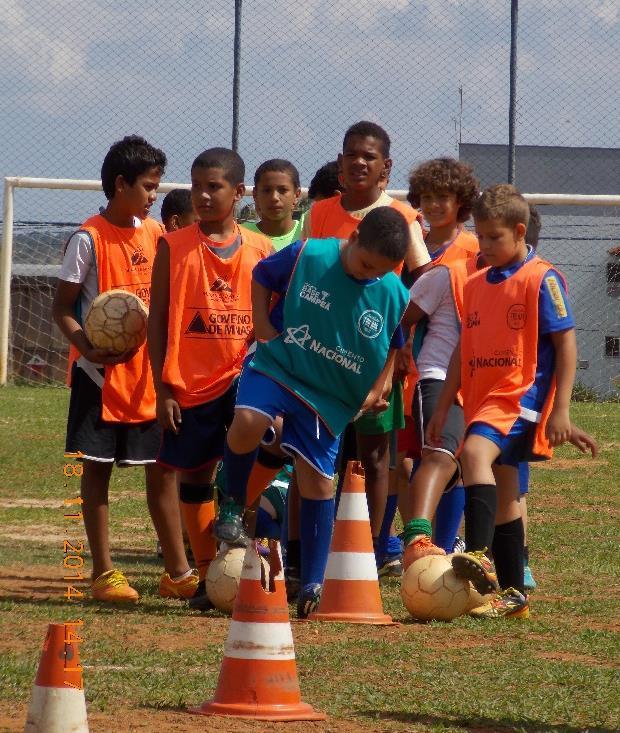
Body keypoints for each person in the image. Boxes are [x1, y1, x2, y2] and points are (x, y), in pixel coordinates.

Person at [213, 206, 411, 617]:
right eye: (364, 265)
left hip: (327, 394)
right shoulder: (308, 254)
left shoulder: (391, 291)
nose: (367, 276)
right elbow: (261, 277)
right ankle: (232, 502)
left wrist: (383, 382)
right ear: (354, 238)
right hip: (278, 364)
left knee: (318, 482)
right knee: (249, 421)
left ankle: (314, 582)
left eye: (380, 271)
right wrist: (263, 324)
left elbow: (396, 339)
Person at [52, 135, 194, 603]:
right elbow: (63, 308)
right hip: (100, 377)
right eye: (148, 186)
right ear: (120, 184)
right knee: (96, 473)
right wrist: (85, 348)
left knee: (163, 472)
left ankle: (177, 572)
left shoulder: (155, 235)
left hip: (149, 377)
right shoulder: (87, 239)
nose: (155, 195)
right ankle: (104, 573)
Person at [427, 184, 577, 619]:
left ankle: (479, 554)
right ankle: (513, 596)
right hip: (480, 397)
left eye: (495, 237)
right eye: (480, 235)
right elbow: (460, 348)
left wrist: (562, 407)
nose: (485, 244)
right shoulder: (474, 284)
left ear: (519, 231)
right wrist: (443, 406)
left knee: (474, 453)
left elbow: (565, 344)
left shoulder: (541, 277)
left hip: (519, 396)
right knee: (506, 493)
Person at [148, 147, 273, 610]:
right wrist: (162, 387)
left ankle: (246, 549)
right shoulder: (173, 245)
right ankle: (207, 578)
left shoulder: (261, 249)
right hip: (189, 384)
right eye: (197, 185)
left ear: (238, 193)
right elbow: (157, 320)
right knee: (195, 472)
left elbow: (274, 316)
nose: (202, 194)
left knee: (263, 456)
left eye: (214, 186)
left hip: (247, 378)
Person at [303, 121, 431, 575]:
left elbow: (426, 281)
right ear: (339, 163)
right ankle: (314, 554)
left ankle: (372, 556)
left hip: (377, 359)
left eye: (369, 156)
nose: (359, 162)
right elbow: (304, 272)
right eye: (351, 154)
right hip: (321, 355)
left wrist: (401, 348)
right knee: (319, 451)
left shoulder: (403, 219)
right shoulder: (318, 214)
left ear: (385, 167)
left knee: (376, 456)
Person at [398, 159, 480, 570]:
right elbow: (400, 314)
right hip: (409, 375)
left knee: (451, 461)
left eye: (442, 198)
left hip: (456, 377)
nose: (432, 205)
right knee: (405, 461)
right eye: (426, 197)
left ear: (461, 203)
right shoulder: (409, 248)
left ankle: (439, 546)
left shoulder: (474, 253)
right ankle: (406, 542)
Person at [242, 159, 304, 251]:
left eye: (283, 190)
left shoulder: (307, 232)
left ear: (297, 195)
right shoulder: (241, 235)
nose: (274, 197)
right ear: (255, 194)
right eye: (267, 190)